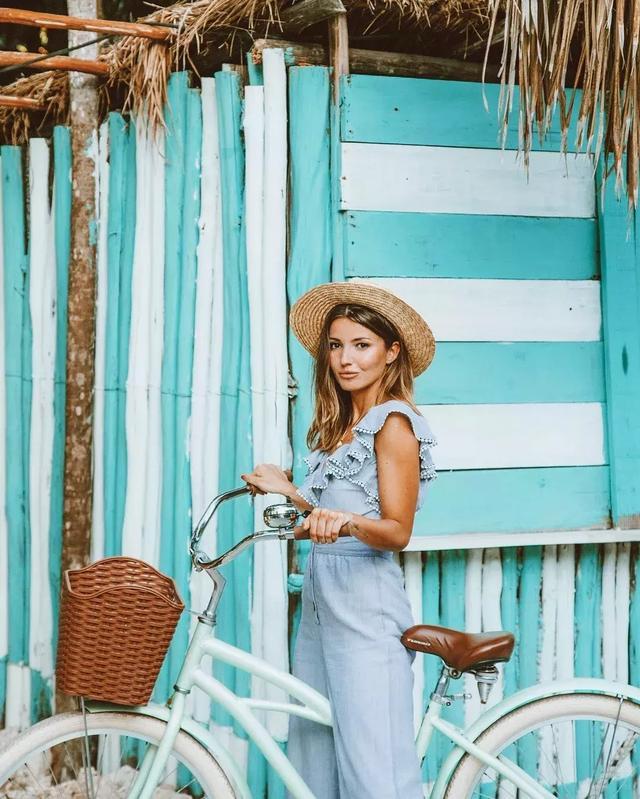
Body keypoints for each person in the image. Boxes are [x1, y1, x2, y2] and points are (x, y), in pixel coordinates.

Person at [241, 281, 437, 799]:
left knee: (375, 772)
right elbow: (330, 514)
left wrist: (342, 523)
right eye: (335, 346)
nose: (345, 359)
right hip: (322, 600)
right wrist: (289, 492)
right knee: (315, 756)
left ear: (391, 352)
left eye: (361, 345)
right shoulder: (343, 427)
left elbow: (396, 531)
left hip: (366, 603)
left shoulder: (394, 424)